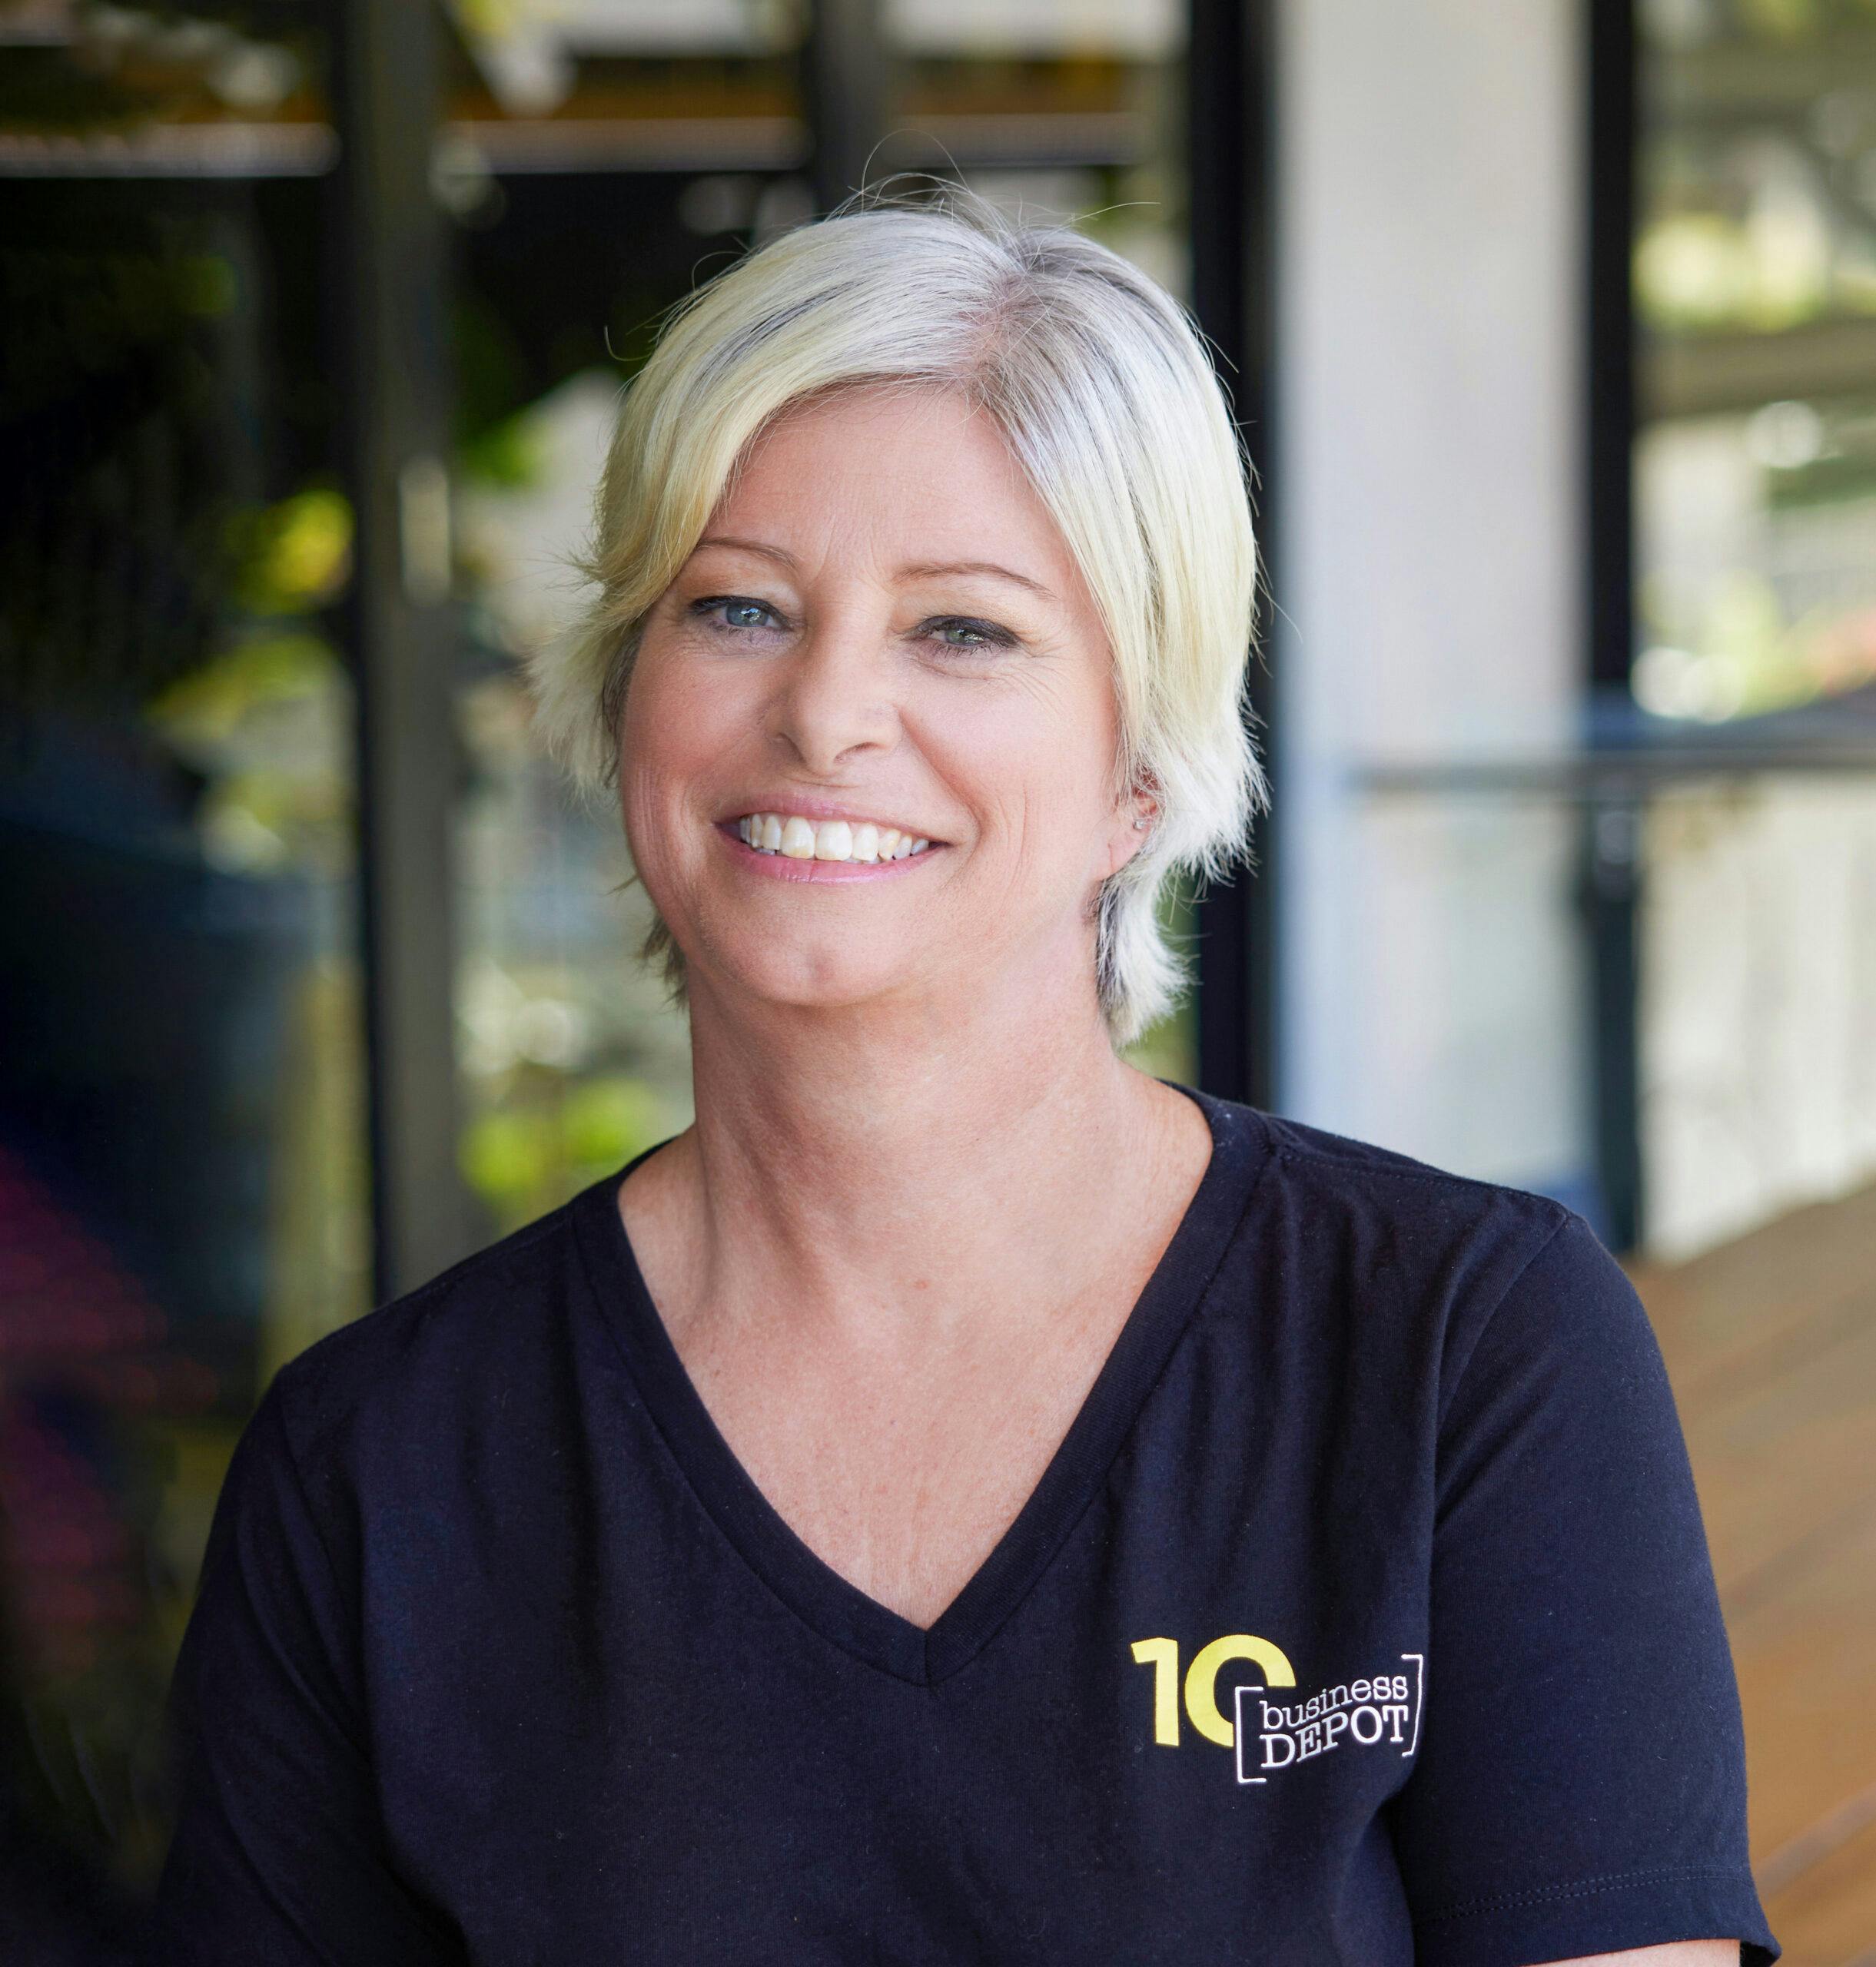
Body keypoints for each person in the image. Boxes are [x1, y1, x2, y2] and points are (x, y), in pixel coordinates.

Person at [147, 188, 1780, 1965]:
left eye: (964, 630)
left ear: (1138, 771)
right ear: (627, 694)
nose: (827, 711)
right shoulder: (377, 1467)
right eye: (739, 607)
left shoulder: (1462, 1343)